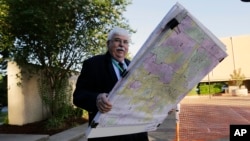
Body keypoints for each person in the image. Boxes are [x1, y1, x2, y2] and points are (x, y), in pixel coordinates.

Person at [73, 27, 149, 141]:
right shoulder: (93, 64)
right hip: (107, 135)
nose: (121, 45)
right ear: (108, 43)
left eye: (125, 42)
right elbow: (78, 96)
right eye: (117, 40)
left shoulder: (135, 66)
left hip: (136, 133)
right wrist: (97, 98)